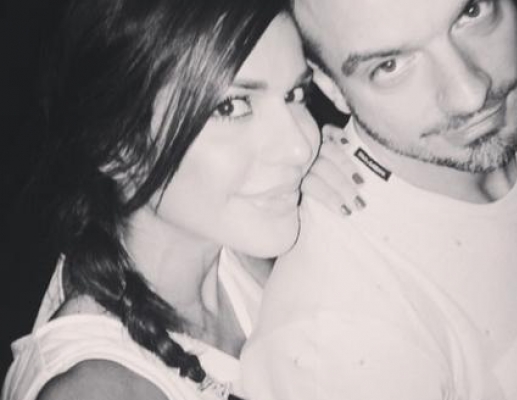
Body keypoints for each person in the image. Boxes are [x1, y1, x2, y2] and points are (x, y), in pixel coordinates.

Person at [240, 0, 517, 399]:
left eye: (471, 12)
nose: (472, 95)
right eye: (390, 65)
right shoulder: (332, 342)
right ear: (330, 88)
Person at [0, 0, 337, 398]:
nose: (301, 146)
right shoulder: (98, 389)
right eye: (231, 106)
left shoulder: (235, 252)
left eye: (296, 94)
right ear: (119, 149)